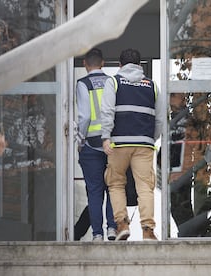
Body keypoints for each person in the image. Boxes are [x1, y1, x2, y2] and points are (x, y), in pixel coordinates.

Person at [101, 48, 164, 241]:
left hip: (119, 144)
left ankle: (121, 225)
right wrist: (150, 139)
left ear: (120, 65)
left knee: (116, 183)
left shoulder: (114, 82)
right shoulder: (152, 86)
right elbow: (160, 119)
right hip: (144, 144)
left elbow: (107, 111)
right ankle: (148, 230)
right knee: (145, 187)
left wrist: (106, 138)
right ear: (139, 66)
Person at [76, 48, 116, 241]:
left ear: (85, 63)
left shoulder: (83, 84)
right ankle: (112, 229)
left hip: (91, 144)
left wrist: (80, 140)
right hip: (111, 144)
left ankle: (97, 234)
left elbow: (83, 116)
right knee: (113, 187)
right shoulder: (112, 82)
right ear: (103, 63)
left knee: (94, 191)